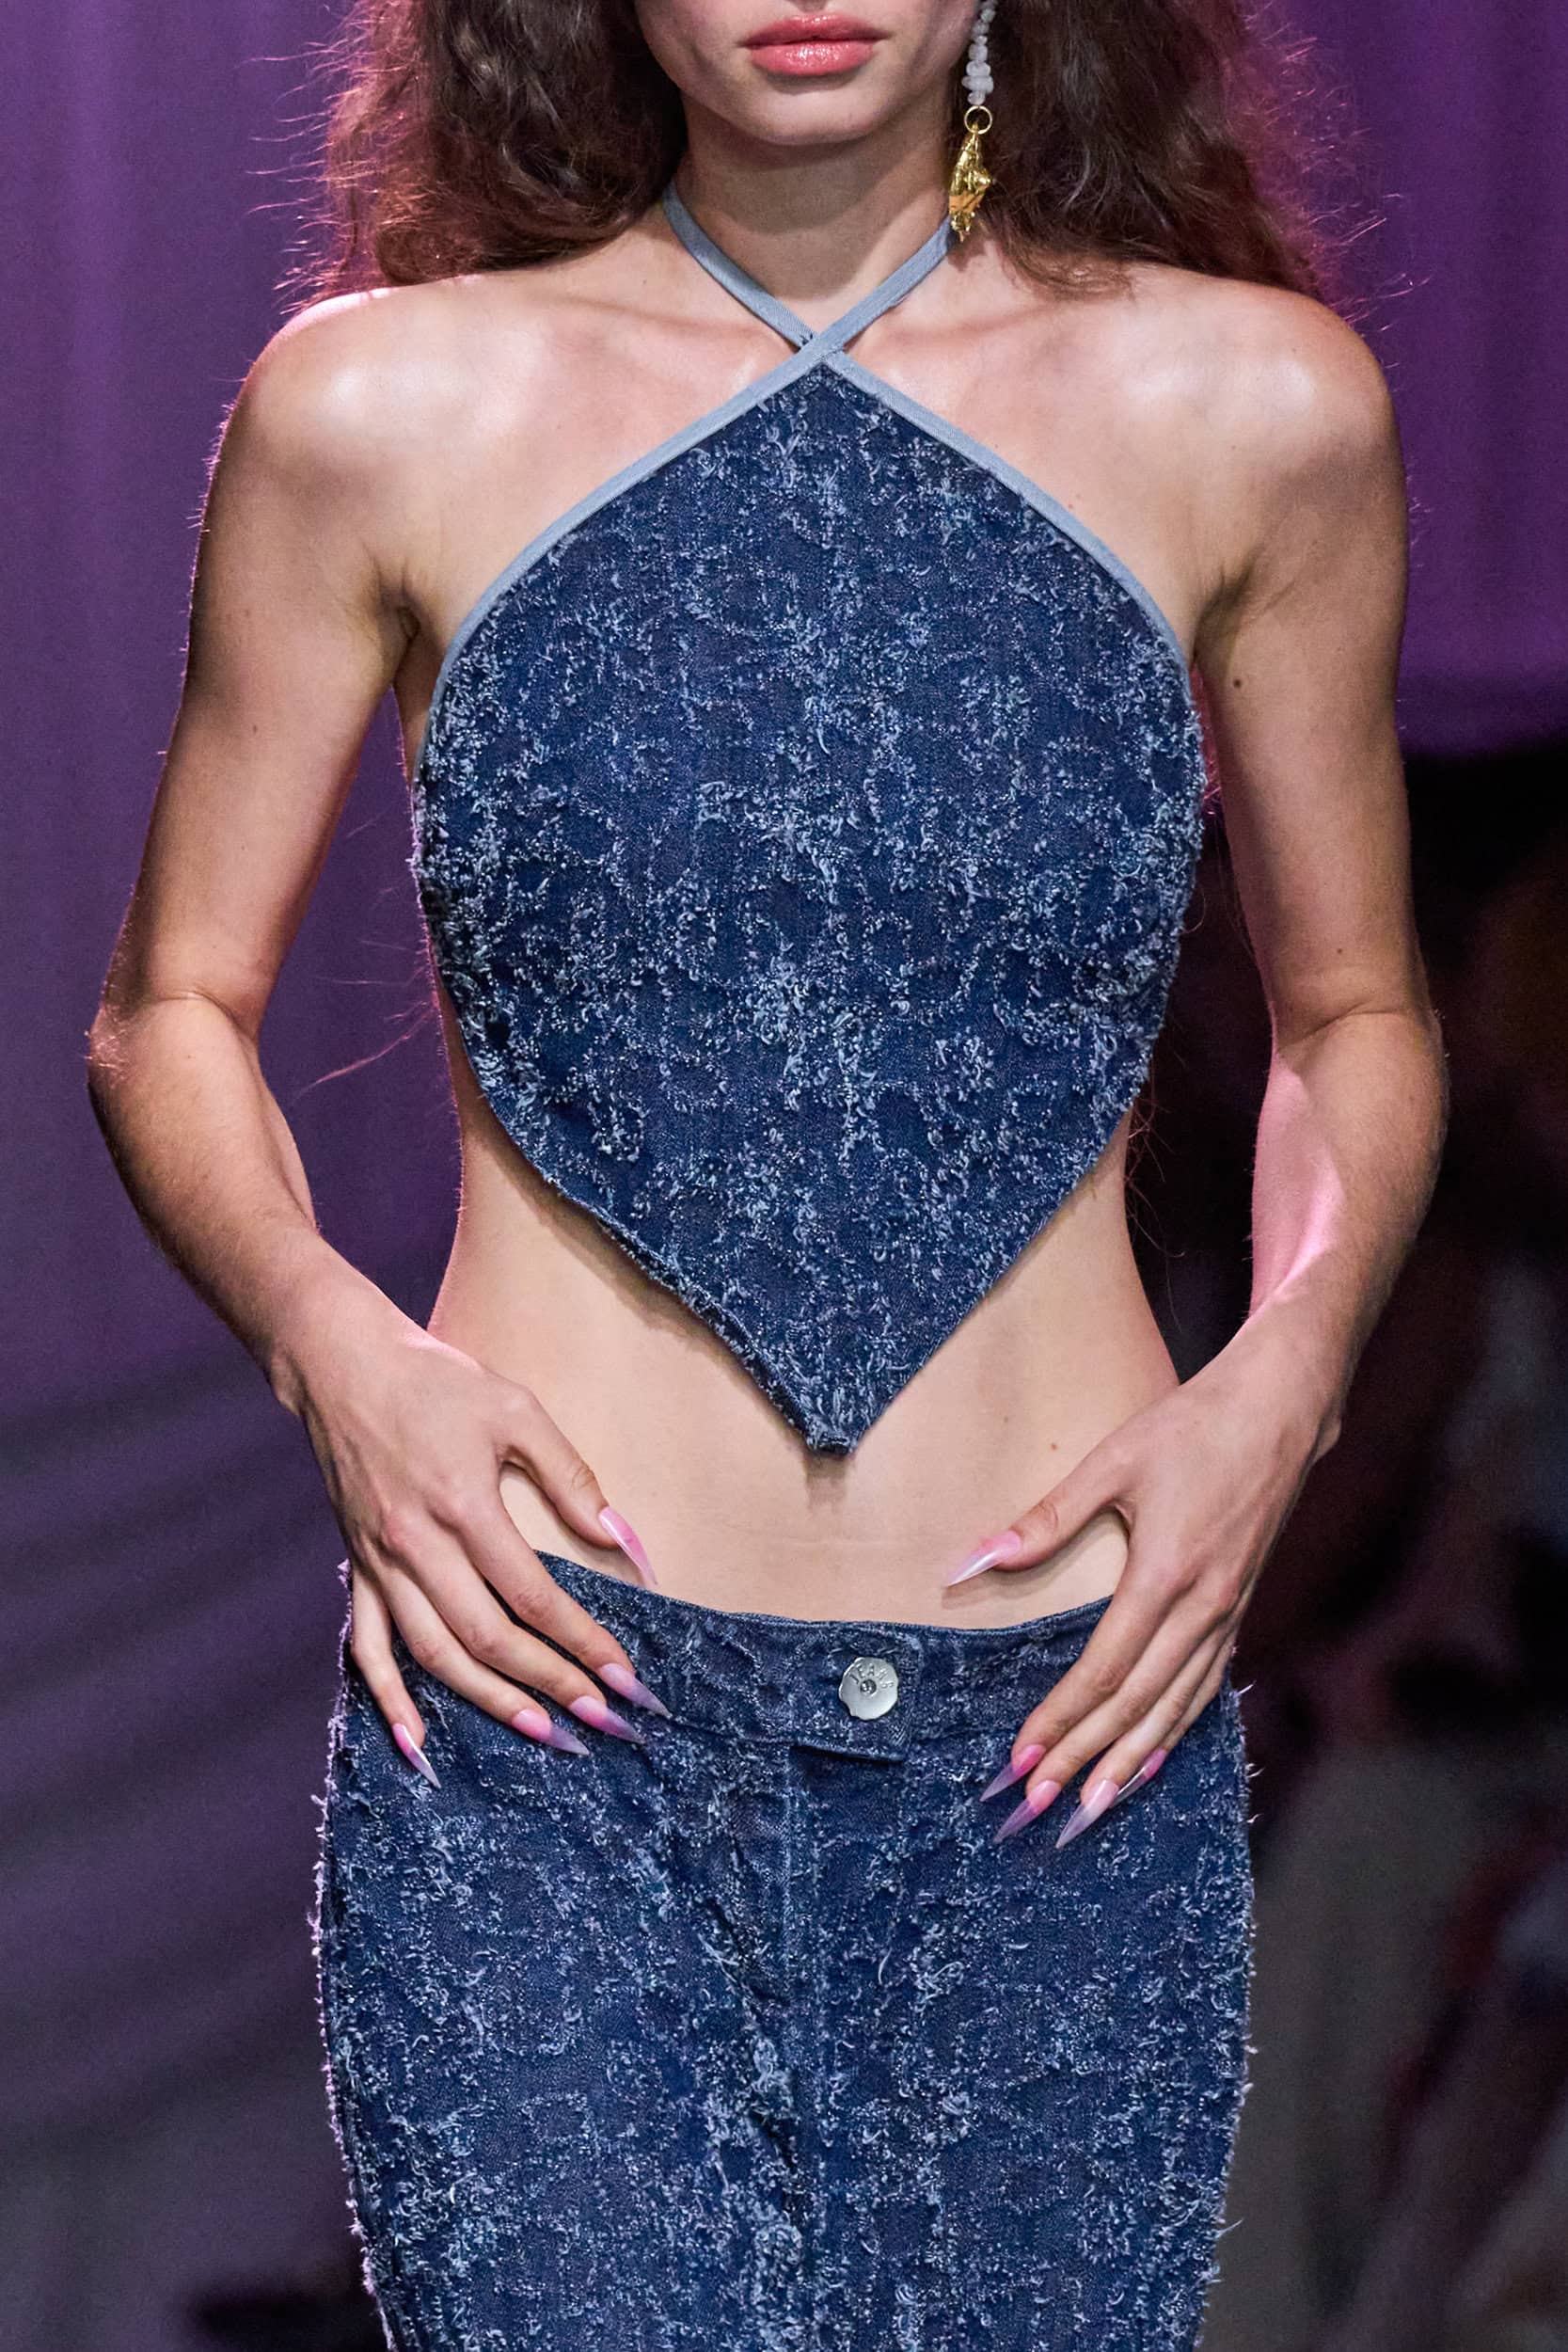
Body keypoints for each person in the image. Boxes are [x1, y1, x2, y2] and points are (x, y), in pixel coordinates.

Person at [84, 2, 1448, 2344]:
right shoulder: (383, 410)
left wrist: (1289, 1372)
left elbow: (1359, 1017)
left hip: (1065, 1737)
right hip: (545, 1714)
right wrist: (335, 1352)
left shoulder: (1254, 411)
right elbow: (170, 1005)